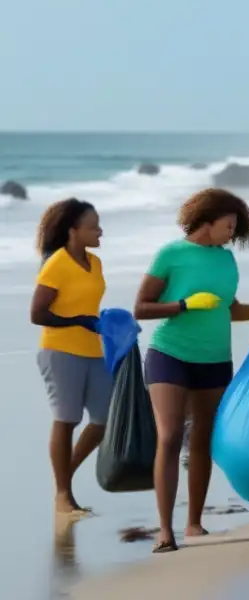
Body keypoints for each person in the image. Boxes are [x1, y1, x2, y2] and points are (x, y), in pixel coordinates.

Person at [134, 188, 249, 553]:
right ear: (206, 221)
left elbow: (229, 308)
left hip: (214, 358)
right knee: (170, 436)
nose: (232, 232)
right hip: (169, 353)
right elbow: (141, 308)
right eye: (228, 224)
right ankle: (165, 530)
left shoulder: (226, 261)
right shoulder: (171, 255)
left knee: (203, 439)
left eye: (236, 226)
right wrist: (183, 304)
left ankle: (194, 523)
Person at [30, 198, 112, 516]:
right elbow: (37, 314)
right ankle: (63, 495)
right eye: (93, 227)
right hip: (60, 351)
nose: (100, 231)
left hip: (94, 350)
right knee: (67, 420)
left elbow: (88, 304)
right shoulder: (56, 264)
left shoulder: (95, 263)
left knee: (104, 420)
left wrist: (109, 323)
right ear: (73, 230)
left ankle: (64, 478)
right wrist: (78, 320)